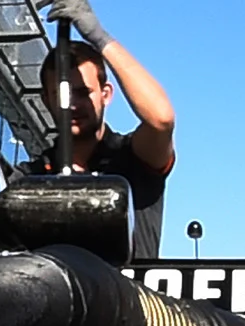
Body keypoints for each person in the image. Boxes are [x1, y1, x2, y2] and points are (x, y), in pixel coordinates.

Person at [26, 0, 177, 259]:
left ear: (106, 95)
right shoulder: (30, 177)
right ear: (46, 100)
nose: (72, 104)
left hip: (130, 297)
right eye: (61, 93)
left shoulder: (133, 159)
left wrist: (99, 37)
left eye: (83, 93)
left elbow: (161, 119)